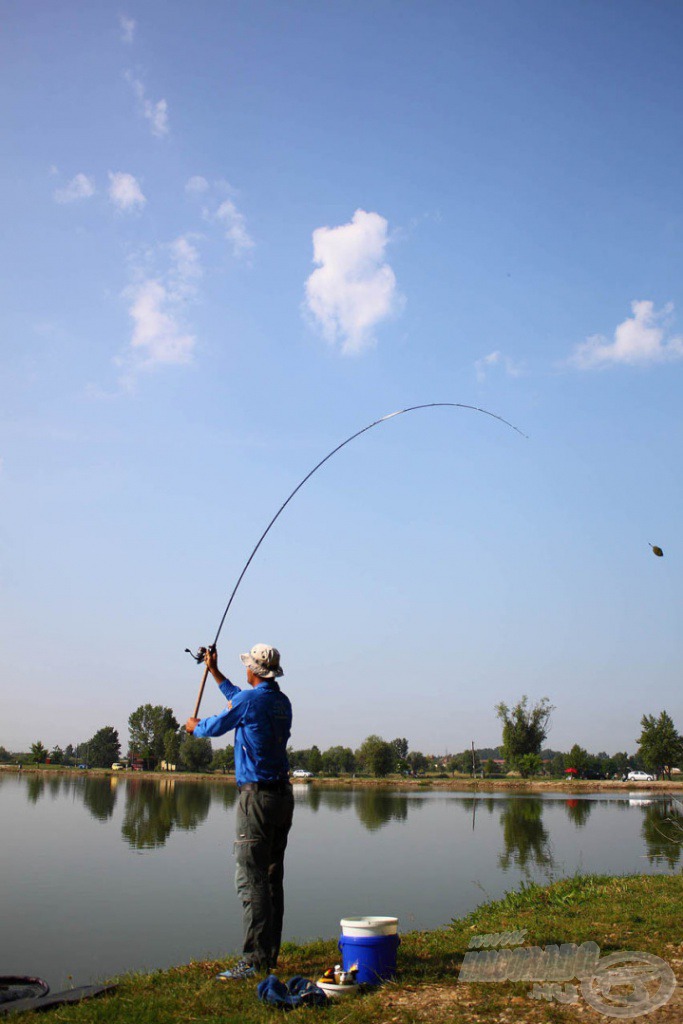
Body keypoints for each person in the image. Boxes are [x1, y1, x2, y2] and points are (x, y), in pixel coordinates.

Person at [185, 642, 293, 981]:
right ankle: (268, 956)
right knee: (272, 878)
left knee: (252, 878)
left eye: (247, 665)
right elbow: (238, 699)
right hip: (282, 798)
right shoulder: (281, 702)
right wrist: (214, 671)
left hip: (256, 800)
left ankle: (255, 961)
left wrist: (194, 727)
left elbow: (214, 726)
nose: (245, 669)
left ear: (255, 671)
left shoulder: (250, 702)